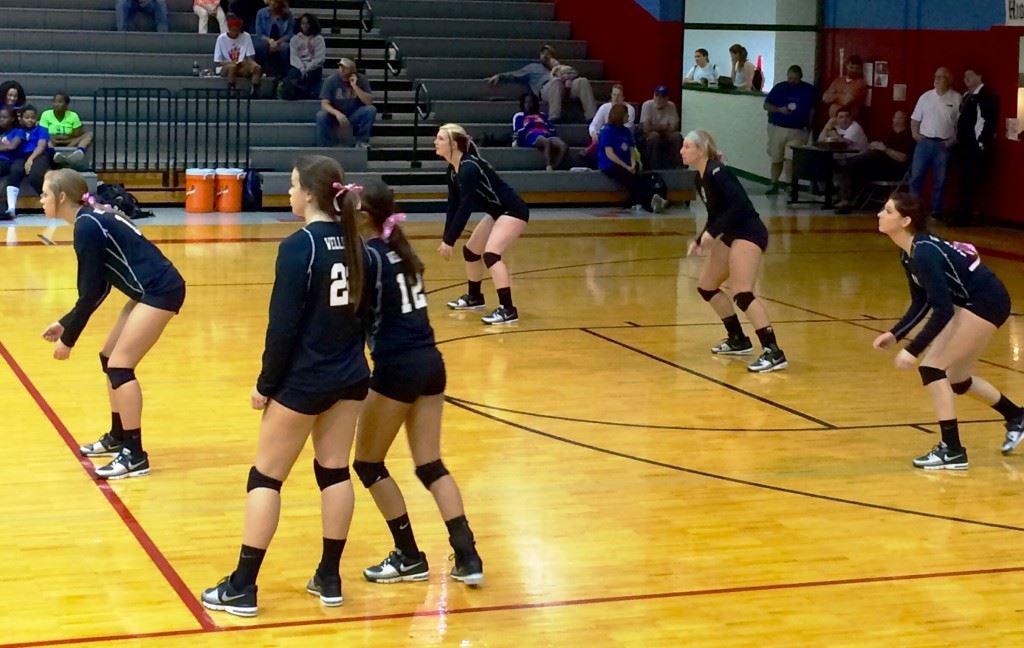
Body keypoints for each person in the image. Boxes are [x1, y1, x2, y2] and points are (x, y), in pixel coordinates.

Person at [201, 156, 372, 617]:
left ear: (311, 194)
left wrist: (265, 384)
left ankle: (242, 585)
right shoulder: (360, 245)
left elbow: (282, 328)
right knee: (334, 471)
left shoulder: (300, 246)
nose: (290, 193)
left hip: (304, 380)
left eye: (294, 185)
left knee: (266, 477)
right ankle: (329, 577)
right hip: (351, 376)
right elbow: (366, 320)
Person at [353, 179, 484, 587]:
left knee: (368, 464)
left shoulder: (369, 258)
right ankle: (468, 554)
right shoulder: (400, 250)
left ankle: (408, 555)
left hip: (397, 367)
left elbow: (353, 321)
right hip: (431, 362)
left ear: (362, 216)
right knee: (430, 465)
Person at [39, 168, 186, 478]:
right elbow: (102, 285)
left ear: (61, 197)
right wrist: (66, 323)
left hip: (160, 290)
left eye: (44, 194)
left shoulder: (87, 226)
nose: (40, 199)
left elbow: (90, 291)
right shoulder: (90, 219)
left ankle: (135, 454)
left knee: (121, 366)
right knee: (109, 358)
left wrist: (69, 340)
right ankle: (119, 436)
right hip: (147, 289)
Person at [871, 192, 1024, 469]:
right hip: (972, 301)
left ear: (905, 221)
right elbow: (922, 300)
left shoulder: (926, 253)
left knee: (932, 368)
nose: (880, 214)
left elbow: (941, 309)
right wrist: (895, 334)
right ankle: (1016, 416)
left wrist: (912, 349)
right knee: (957, 378)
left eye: (888, 211)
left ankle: (952, 450)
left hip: (985, 302)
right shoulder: (910, 253)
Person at [682, 129, 787, 373]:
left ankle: (774, 351)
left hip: (749, 232)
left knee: (742, 293)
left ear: (701, 149)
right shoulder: (700, 177)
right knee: (706, 286)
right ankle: (738, 338)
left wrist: (713, 231)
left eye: (687, 146)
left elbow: (740, 205)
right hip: (731, 233)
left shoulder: (719, 172)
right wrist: (701, 238)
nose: (682, 151)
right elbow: (716, 214)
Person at [435, 123, 529, 325]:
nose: (435, 142)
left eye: (440, 139)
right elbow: (453, 205)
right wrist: (446, 238)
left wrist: (450, 240)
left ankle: (508, 309)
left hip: (513, 211)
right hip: (497, 213)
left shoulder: (470, 167)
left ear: (454, 144)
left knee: (491, 254)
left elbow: (465, 207)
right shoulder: (453, 170)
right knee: (471, 252)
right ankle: (475, 297)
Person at [486, 45, 596, 122]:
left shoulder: (558, 66)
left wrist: (565, 72)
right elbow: (515, 74)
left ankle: (592, 117)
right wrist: (500, 76)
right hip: (547, 88)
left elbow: (573, 75)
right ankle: (554, 117)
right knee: (556, 82)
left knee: (583, 81)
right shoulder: (533, 68)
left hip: (566, 87)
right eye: (543, 53)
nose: (546, 55)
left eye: (548, 53)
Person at [834, 110, 914, 213]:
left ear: (905, 120)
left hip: (893, 169)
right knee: (852, 166)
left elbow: (903, 158)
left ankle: (846, 200)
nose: (897, 120)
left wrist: (885, 149)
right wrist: (873, 146)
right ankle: (846, 199)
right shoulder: (888, 133)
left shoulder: (908, 137)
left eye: (900, 118)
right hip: (875, 164)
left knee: (852, 165)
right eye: (895, 117)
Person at [909, 67, 961, 218]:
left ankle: (936, 211)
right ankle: (914, 209)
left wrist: (952, 140)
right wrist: (915, 135)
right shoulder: (925, 97)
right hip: (924, 142)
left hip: (943, 144)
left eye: (941, 77)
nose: (937, 79)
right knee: (916, 176)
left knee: (941, 179)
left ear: (949, 80)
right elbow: (915, 119)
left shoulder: (957, 98)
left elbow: (961, 124)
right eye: (936, 76)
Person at [952, 68, 998, 227]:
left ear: (979, 76)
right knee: (963, 181)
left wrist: (980, 143)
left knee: (970, 182)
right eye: (965, 75)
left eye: (970, 75)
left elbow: (987, 121)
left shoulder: (985, 96)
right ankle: (961, 214)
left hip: (974, 147)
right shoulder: (966, 96)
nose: (966, 78)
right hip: (963, 147)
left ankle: (964, 216)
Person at [762, 65, 816, 195]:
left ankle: (790, 185)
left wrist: (809, 127)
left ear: (800, 77)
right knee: (776, 158)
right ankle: (774, 183)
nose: (792, 81)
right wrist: (780, 110)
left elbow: (812, 110)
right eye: (790, 78)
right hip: (779, 128)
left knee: (790, 159)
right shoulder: (780, 88)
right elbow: (766, 105)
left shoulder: (808, 90)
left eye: (795, 79)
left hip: (798, 130)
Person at [317, 58, 376, 148]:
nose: (342, 69)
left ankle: (362, 141)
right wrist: (337, 114)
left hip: (353, 114)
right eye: (340, 66)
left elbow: (369, 102)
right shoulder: (331, 80)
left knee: (371, 110)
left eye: (345, 67)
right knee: (321, 115)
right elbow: (324, 104)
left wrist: (355, 86)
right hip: (335, 116)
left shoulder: (361, 79)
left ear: (353, 69)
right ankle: (325, 146)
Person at [5, 105, 51, 219]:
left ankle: (50, 203)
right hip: (21, 156)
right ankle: (11, 209)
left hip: (38, 155)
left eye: (33, 117)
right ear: (21, 118)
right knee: (15, 170)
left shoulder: (42, 129)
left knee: (35, 176)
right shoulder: (17, 131)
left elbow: (41, 146)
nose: (30, 120)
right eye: (27, 117)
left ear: (36, 118)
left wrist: (30, 160)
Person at [598, 104, 642, 209]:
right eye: (626, 114)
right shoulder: (607, 131)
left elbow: (631, 149)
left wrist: (633, 163)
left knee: (637, 174)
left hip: (626, 162)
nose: (628, 117)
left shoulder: (626, 131)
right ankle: (638, 201)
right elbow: (610, 154)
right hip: (610, 164)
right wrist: (626, 167)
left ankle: (637, 200)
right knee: (627, 176)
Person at [512, 93, 567, 171]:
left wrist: (549, 132)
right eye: (526, 102)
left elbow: (551, 128)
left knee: (563, 145)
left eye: (531, 102)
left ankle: (556, 166)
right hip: (532, 134)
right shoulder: (519, 116)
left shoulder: (543, 115)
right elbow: (518, 131)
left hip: (546, 133)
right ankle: (548, 166)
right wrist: (531, 125)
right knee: (546, 142)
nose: (528, 104)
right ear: (523, 103)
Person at [40, 93, 94, 169]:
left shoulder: (73, 116)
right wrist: (64, 137)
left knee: (89, 134)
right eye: (55, 102)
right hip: (52, 142)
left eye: (60, 102)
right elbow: (43, 132)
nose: (56, 104)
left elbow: (77, 134)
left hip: (70, 142)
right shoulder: (46, 114)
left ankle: (80, 152)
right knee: (44, 138)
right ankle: (54, 154)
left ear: (66, 105)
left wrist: (62, 138)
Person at [214, 14, 264, 92]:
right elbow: (218, 61)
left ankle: (254, 90)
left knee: (257, 67)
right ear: (229, 29)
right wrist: (231, 62)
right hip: (227, 66)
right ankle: (232, 90)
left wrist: (248, 63)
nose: (235, 33)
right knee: (232, 67)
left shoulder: (246, 36)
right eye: (233, 30)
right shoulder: (221, 39)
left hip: (242, 65)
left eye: (237, 30)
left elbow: (250, 56)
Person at [281, 13, 325, 101]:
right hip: (299, 65)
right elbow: (294, 57)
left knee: (312, 75)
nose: (305, 26)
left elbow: (319, 58)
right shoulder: (295, 39)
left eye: (307, 23)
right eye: (303, 23)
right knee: (292, 77)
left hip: (313, 66)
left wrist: (308, 67)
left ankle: (310, 93)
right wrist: (301, 68)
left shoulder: (319, 39)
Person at [639, 85, 682, 170]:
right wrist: (664, 127)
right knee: (654, 136)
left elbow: (674, 127)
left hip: (666, 136)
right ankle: (654, 168)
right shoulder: (647, 105)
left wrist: (655, 127)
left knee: (677, 136)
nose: (658, 99)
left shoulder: (671, 106)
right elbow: (646, 129)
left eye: (662, 97)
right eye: (656, 95)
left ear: (667, 99)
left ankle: (677, 167)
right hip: (648, 136)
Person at [253, 0, 294, 79]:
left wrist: (277, 42)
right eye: (271, 1)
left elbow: (289, 33)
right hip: (265, 40)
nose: (272, 3)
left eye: (274, 2)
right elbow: (259, 33)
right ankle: (262, 72)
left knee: (285, 48)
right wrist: (269, 41)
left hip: (281, 41)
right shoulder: (261, 13)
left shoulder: (288, 15)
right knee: (260, 46)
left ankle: (284, 75)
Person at [0, 107, 26, 221]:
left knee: (14, 171)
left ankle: (10, 209)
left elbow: (12, 146)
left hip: (11, 161)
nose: (1, 120)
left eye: (4, 117)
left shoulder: (18, 131)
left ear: (11, 119)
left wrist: (5, 147)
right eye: (0, 117)